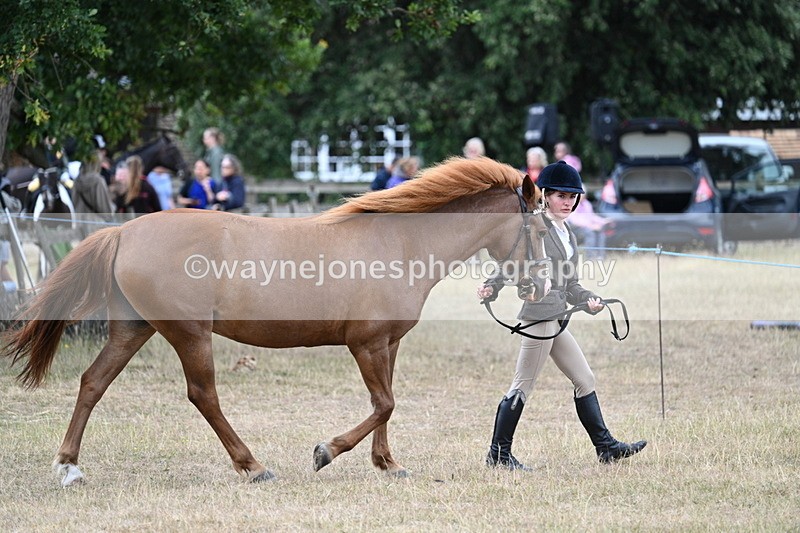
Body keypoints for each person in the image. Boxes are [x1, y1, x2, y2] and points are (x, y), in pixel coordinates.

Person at [478, 161, 646, 471]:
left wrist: (589, 299)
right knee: (522, 385)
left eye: (572, 197)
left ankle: (606, 448)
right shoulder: (535, 226)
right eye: (560, 196)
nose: (567, 202)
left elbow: (570, 284)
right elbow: (513, 261)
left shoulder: (567, 233)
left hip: (556, 318)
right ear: (545, 195)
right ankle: (498, 454)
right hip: (540, 316)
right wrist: (493, 285)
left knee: (584, 379)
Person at [569, 195, 609, 260]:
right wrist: (591, 226)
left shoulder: (587, 203)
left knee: (601, 232)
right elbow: (574, 220)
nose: (583, 197)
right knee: (590, 232)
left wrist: (603, 221)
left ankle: (600, 256)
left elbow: (591, 216)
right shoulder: (571, 204)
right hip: (574, 228)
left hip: (587, 226)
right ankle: (590, 257)